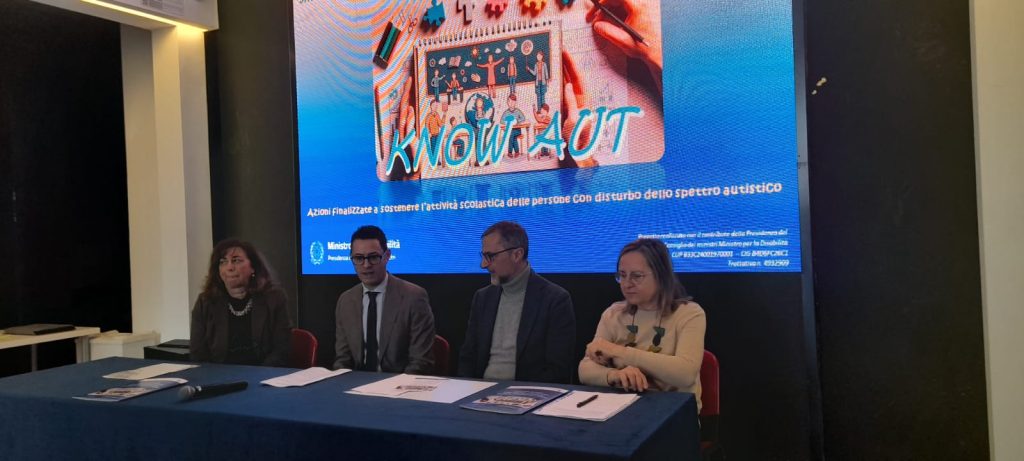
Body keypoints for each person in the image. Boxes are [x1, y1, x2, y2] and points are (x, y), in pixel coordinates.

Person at [578, 239, 705, 409]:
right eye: (622, 275)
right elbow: (585, 369)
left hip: (672, 412)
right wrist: (614, 375)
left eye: (637, 276)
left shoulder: (689, 313)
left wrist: (619, 351)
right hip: (622, 408)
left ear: (661, 275)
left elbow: (685, 374)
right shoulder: (613, 314)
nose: (627, 284)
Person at [458, 221, 576, 383]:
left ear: (517, 255)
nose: (483, 265)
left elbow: (558, 370)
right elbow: (467, 359)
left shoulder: (555, 300)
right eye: (483, 256)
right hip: (479, 390)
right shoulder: (483, 298)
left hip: (528, 392)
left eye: (490, 256)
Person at [334, 225, 435, 373]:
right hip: (355, 384)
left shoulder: (413, 297)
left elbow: (421, 362)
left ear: (387, 256)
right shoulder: (346, 301)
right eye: (359, 258)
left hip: (399, 384)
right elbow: (342, 360)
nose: (366, 265)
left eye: (373, 257)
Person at [190, 238, 293, 366]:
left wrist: (258, 374)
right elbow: (198, 354)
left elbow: (282, 350)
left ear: (253, 267)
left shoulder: (274, 299)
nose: (229, 267)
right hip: (217, 375)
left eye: (236, 260)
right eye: (223, 262)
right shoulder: (205, 302)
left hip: (265, 373)